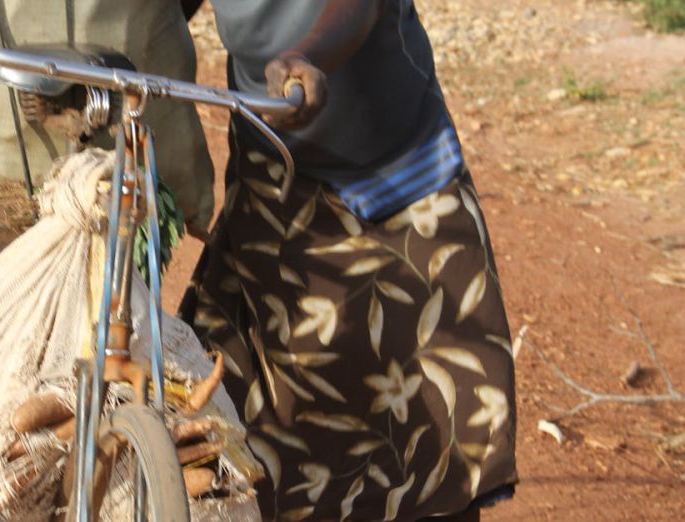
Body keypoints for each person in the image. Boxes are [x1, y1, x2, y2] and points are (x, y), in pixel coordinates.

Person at [178, 1, 518, 520]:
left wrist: (304, 54)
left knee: (434, 401)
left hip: (394, 169)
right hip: (274, 162)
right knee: (269, 398)